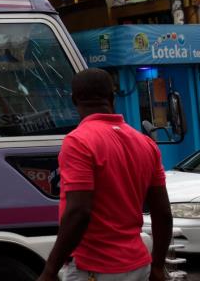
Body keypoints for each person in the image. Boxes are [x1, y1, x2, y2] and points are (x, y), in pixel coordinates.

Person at [37, 69, 172, 281]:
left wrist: (49, 270)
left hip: (94, 268)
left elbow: (79, 211)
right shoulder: (146, 143)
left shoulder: (78, 142)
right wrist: (157, 266)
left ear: (74, 99)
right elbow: (163, 212)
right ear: (112, 98)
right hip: (139, 265)